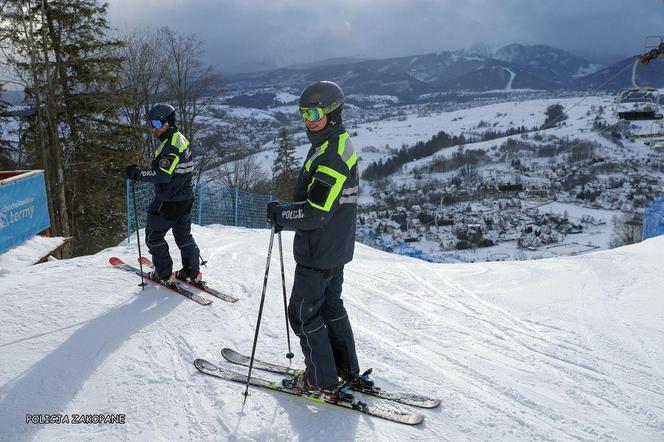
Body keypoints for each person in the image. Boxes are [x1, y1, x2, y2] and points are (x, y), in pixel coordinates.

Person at [267, 81, 371, 396]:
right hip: (333, 247)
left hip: (319, 249)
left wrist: (280, 215)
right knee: (330, 306)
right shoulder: (331, 142)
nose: (308, 119)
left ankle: (321, 379)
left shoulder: (333, 156)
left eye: (314, 112)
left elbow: (315, 213)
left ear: (332, 112)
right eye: (303, 113)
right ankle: (344, 369)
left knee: (302, 313)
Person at [126, 104, 204, 287]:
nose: (153, 128)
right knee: (183, 236)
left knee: (153, 236)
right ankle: (192, 272)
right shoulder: (179, 138)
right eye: (151, 124)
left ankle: (164, 274)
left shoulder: (170, 146)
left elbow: (163, 175)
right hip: (185, 198)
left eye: (156, 123)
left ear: (168, 122)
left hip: (169, 200)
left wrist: (138, 174)